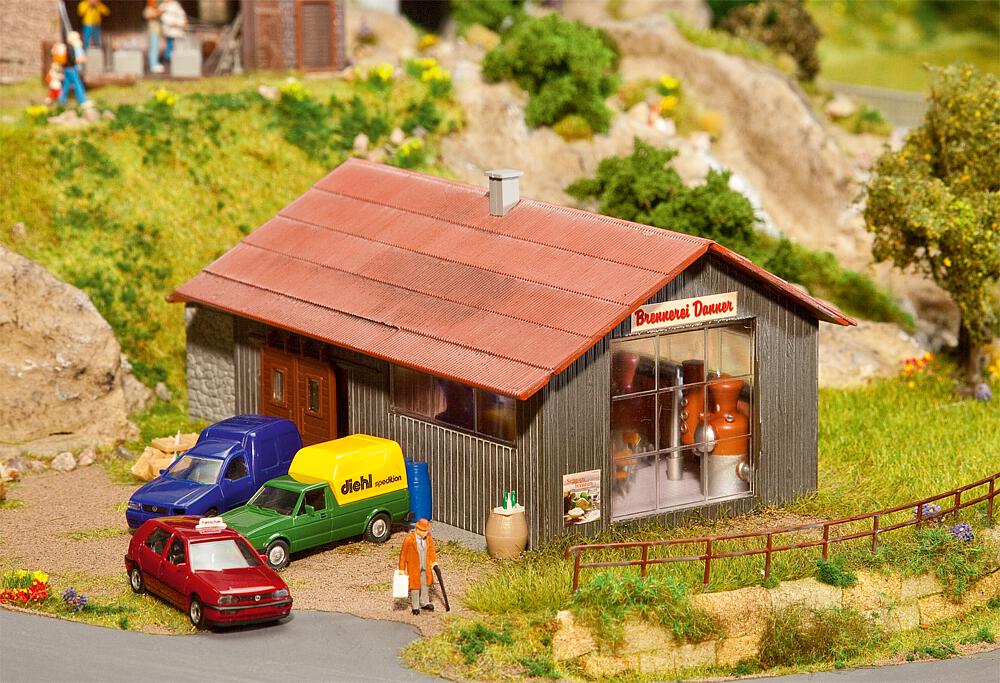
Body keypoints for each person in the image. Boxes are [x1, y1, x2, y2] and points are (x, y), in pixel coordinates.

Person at [397, 518, 437, 616]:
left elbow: (431, 550)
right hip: (414, 566)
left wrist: (433, 562)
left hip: (425, 565)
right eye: (423, 531)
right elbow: (403, 554)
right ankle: (415, 606)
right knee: (415, 586)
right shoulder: (409, 539)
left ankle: (424, 602)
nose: (425, 533)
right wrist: (401, 568)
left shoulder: (428, 537)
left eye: (426, 531)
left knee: (425, 583)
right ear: (417, 529)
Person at [58, 32, 88, 107]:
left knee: (66, 85)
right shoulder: (71, 48)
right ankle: (82, 101)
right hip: (71, 68)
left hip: (67, 68)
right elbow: (73, 59)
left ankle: (61, 101)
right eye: (77, 38)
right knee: (77, 83)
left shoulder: (68, 47)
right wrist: (81, 59)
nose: (79, 40)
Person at [159, 0, 188, 65]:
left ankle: (179, 59)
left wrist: (184, 21)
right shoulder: (162, 6)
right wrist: (178, 23)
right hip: (170, 31)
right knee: (170, 45)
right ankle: (169, 60)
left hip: (179, 32)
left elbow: (182, 14)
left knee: (179, 46)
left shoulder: (175, 4)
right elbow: (165, 18)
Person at [144, 0, 164, 74]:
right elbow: (151, 16)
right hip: (153, 32)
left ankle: (156, 63)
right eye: (153, 1)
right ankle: (153, 65)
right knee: (153, 48)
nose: (155, 3)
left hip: (157, 32)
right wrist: (159, 12)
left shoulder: (156, 9)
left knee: (156, 48)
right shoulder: (148, 9)